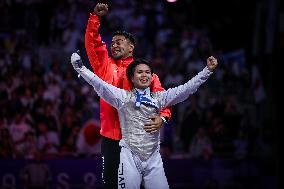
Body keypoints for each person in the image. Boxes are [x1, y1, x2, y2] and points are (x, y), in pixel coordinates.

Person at [70, 52, 218, 189]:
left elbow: (186, 89)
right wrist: (80, 68)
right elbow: (100, 85)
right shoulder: (123, 97)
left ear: (152, 76)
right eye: (140, 72)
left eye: (147, 72)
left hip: (153, 158)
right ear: (132, 78)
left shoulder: (160, 98)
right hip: (129, 158)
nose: (144, 75)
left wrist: (207, 71)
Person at [85, 3, 171, 188]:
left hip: (138, 139)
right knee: (111, 184)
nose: (113, 45)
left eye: (119, 42)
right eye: (112, 42)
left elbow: (163, 98)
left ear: (131, 47)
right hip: (111, 139)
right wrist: (95, 18)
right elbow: (93, 44)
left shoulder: (144, 73)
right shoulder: (104, 66)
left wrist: (162, 118)